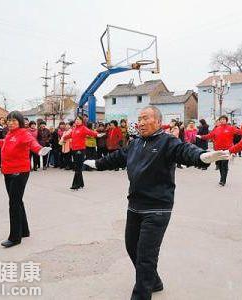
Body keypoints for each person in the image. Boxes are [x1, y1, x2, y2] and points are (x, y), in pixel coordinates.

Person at [83, 106, 229, 300]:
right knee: (132, 247)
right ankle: (155, 281)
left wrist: (201, 157)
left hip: (158, 208)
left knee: (145, 256)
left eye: (146, 118)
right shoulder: (135, 143)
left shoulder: (168, 142)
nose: (141, 123)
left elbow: (185, 151)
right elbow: (118, 157)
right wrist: (97, 164)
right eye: (139, 118)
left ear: (159, 122)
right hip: (135, 205)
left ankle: (142, 294)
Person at [0, 111, 51, 248]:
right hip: (8, 171)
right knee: (17, 201)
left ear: (20, 122)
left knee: (14, 204)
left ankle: (15, 237)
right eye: (8, 120)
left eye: (14, 120)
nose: (10, 123)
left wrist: (39, 150)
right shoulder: (10, 133)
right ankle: (24, 231)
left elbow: (32, 143)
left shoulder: (24, 133)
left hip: (19, 172)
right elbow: (4, 142)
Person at [197, 115, 242, 186]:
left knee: (224, 164)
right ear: (220, 121)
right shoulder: (217, 129)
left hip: (227, 150)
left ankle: (223, 180)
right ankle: (221, 177)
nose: (223, 120)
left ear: (226, 120)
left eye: (224, 119)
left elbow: (240, 132)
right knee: (220, 164)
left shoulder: (231, 128)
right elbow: (209, 135)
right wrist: (201, 137)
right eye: (221, 119)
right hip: (218, 149)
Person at [60, 116, 100, 190]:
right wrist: (63, 138)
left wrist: (98, 134)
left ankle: (75, 185)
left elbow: (91, 133)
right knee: (77, 167)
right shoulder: (74, 129)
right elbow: (69, 135)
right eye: (76, 120)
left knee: (77, 167)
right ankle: (81, 184)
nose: (77, 121)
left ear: (82, 121)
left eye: (79, 119)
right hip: (74, 149)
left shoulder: (83, 128)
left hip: (80, 150)